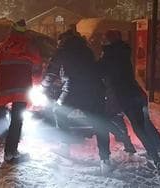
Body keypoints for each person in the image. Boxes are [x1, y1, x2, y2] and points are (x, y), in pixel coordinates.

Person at [42, 28, 133, 174]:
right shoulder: (86, 50)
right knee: (99, 123)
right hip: (95, 90)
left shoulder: (62, 51)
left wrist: (43, 87)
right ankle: (105, 161)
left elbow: (52, 71)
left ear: (63, 41)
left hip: (72, 90)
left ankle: (65, 147)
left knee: (58, 110)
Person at [99, 29, 160, 175]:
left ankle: (130, 146)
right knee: (142, 127)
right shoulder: (124, 52)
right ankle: (157, 157)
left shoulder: (109, 55)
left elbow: (99, 72)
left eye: (104, 38)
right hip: (136, 93)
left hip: (123, 97)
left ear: (109, 41)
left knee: (105, 119)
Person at [0, 19, 42, 163]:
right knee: (17, 120)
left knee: (2, 115)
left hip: (2, 89)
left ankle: (5, 141)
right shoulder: (29, 47)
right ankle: (11, 152)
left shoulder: (1, 47)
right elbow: (38, 66)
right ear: (25, 32)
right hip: (21, 90)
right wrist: (36, 83)